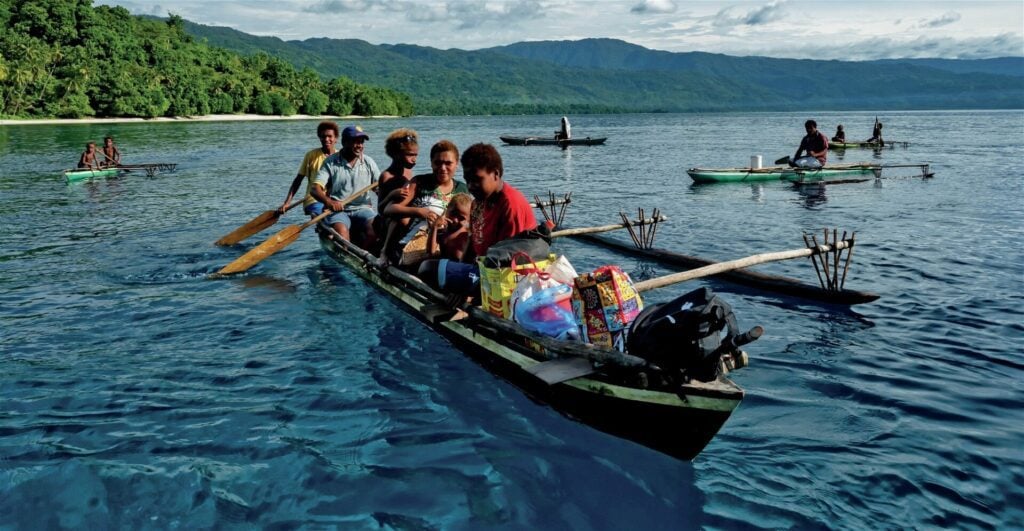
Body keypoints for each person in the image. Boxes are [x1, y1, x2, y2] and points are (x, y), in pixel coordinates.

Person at [417, 143, 538, 296]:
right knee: (426, 268)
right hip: (482, 271)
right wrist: (460, 279)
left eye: (477, 179)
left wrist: (468, 291)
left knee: (428, 268)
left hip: (504, 277)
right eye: (467, 180)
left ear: (496, 174)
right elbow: (472, 245)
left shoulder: (511, 204)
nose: (471, 186)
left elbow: (512, 260)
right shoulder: (478, 203)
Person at [380, 140, 469, 264]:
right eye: (438, 163)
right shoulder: (419, 182)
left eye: (448, 163)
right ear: (431, 163)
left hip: (446, 244)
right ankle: (386, 253)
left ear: (457, 164)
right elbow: (389, 209)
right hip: (415, 242)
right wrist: (420, 212)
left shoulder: (462, 189)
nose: (443, 168)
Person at [311, 125, 380, 248]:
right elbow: (315, 189)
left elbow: (378, 186)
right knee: (342, 233)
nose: (359, 145)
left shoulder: (369, 162)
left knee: (375, 231)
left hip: (363, 209)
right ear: (344, 142)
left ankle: (365, 256)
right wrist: (329, 202)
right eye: (355, 142)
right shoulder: (331, 162)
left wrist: (383, 192)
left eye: (361, 142)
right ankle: (347, 250)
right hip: (338, 210)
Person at [280, 121, 338, 217]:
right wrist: (287, 202)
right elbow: (298, 180)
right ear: (319, 138)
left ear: (336, 138)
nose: (326, 139)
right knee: (325, 218)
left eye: (330, 136)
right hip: (314, 199)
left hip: (335, 200)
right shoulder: (311, 155)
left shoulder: (341, 156)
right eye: (323, 136)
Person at [376, 128, 419, 216]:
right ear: (396, 154)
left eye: (415, 155)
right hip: (389, 217)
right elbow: (380, 209)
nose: (414, 160)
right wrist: (391, 195)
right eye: (410, 155)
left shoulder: (409, 172)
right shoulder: (386, 176)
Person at [427, 193, 472, 262]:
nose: (455, 220)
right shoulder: (442, 230)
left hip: (460, 268)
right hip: (444, 267)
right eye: (453, 213)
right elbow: (431, 252)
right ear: (447, 208)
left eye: (461, 218)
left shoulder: (466, 234)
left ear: (469, 219)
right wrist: (434, 227)